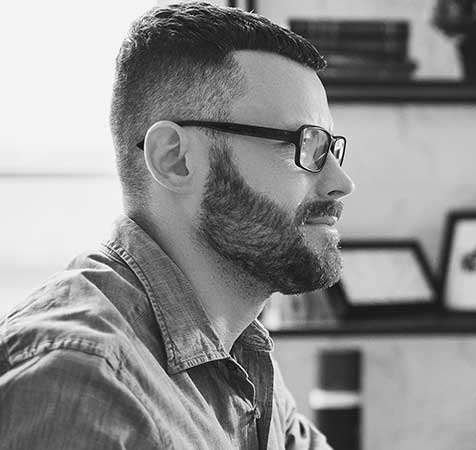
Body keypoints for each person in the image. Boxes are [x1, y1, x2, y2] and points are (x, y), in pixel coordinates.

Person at [0, 3, 354, 449]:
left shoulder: (236, 345)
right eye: (306, 145)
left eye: (330, 148)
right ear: (175, 159)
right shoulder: (80, 381)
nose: (342, 183)